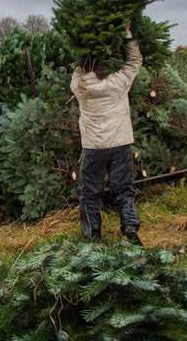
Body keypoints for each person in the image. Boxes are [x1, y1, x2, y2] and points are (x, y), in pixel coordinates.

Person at [70, 23, 142, 245]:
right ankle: (129, 228)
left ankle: (92, 237)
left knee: (90, 193)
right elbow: (134, 62)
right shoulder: (118, 82)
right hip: (120, 143)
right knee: (123, 190)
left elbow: (76, 71)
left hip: (93, 147)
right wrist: (127, 35)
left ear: (83, 68)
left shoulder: (79, 85)